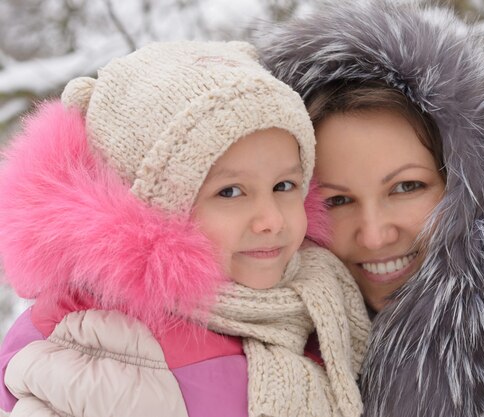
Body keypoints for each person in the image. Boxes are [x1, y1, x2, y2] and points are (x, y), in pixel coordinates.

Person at [255, 1, 484, 416]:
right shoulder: (236, 382)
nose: (375, 234)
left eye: (406, 186)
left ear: (474, 193)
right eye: (337, 200)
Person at [0, 40, 370, 417]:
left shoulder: (319, 300)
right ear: (155, 209)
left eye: (284, 186)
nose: (271, 220)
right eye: (230, 192)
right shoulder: (97, 344)